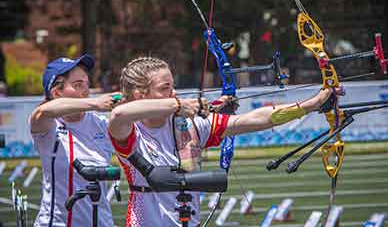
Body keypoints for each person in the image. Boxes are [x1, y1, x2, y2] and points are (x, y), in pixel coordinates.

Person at [108, 56, 337, 227]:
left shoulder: (190, 124)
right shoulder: (130, 131)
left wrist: (312, 104)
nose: (174, 92)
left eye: (173, 86)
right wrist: (178, 105)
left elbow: (255, 119)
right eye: (164, 88)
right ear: (140, 95)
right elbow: (118, 115)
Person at [29, 54, 121, 227]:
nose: (86, 91)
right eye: (78, 85)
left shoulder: (101, 123)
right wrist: (94, 104)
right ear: (56, 92)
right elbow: (44, 111)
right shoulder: (47, 124)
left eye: (87, 84)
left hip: (101, 222)